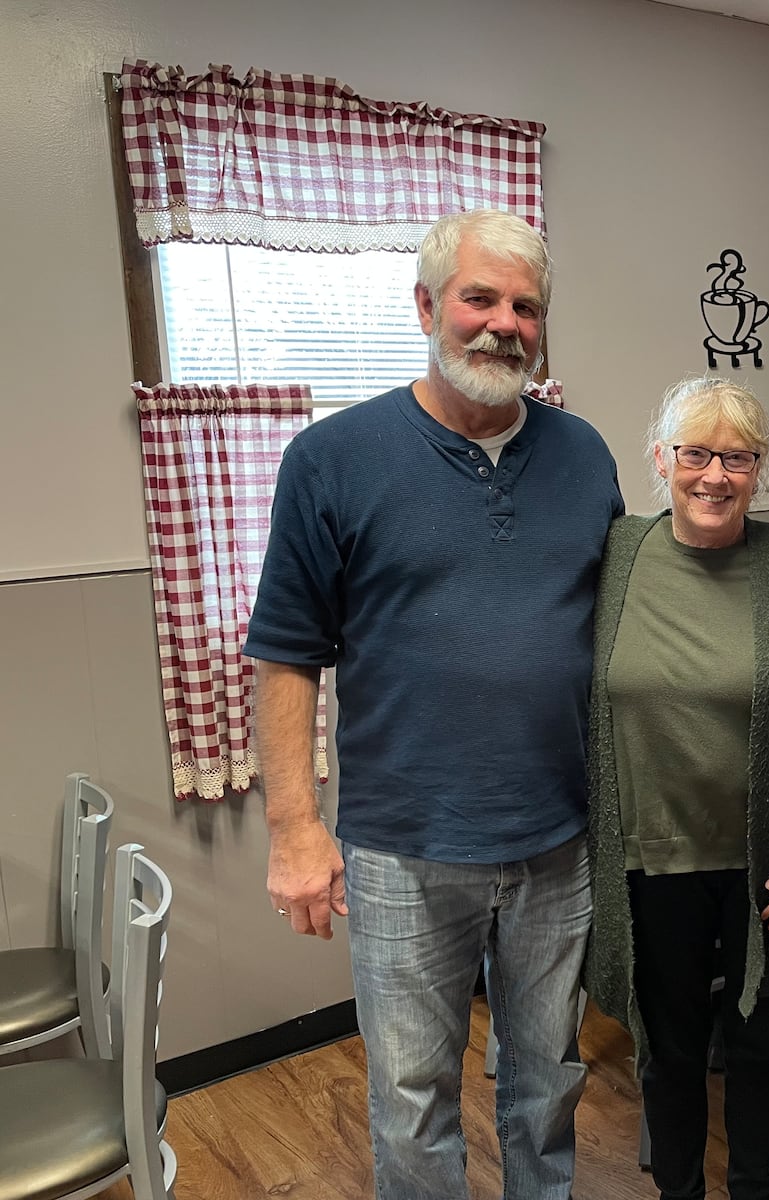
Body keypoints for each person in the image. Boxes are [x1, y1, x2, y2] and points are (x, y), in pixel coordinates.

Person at [245, 209, 623, 1199]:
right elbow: (286, 656)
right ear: (427, 307)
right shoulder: (332, 459)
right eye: (480, 298)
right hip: (404, 849)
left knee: (546, 1088)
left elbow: (618, 633)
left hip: (558, 844)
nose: (502, 324)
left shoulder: (585, 457)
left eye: (525, 306)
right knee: (412, 1103)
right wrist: (294, 830)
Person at [585, 376, 769, 1200]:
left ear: (760, 468)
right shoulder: (616, 557)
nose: (714, 475)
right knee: (666, 1053)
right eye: (695, 453)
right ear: (661, 460)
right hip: (648, 865)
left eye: (737, 458)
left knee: (758, 1051)